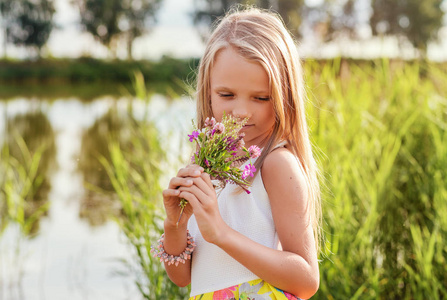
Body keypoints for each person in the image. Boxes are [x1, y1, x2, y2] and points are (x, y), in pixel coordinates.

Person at [157, 6, 322, 300]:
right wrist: (175, 225)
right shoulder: (205, 165)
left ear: (285, 98)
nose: (242, 112)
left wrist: (221, 233)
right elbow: (183, 277)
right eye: (226, 95)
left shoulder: (276, 164)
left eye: (260, 97)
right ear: (208, 91)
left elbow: (306, 280)